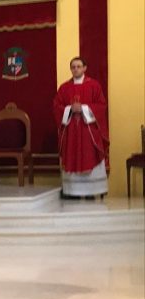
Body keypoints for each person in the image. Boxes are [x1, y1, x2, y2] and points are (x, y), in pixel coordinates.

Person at [53, 57, 109, 198]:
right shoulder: (64, 88)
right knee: (71, 155)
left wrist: (83, 108)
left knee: (90, 155)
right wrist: (69, 109)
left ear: (85, 68)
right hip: (71, 131)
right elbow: (56, 106)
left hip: (88, 131)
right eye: (73, 67)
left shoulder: (94, 85)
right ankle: (72, 191)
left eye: (78, 66)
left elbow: (101, 105)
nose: (76, 69)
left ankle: (91, 192)